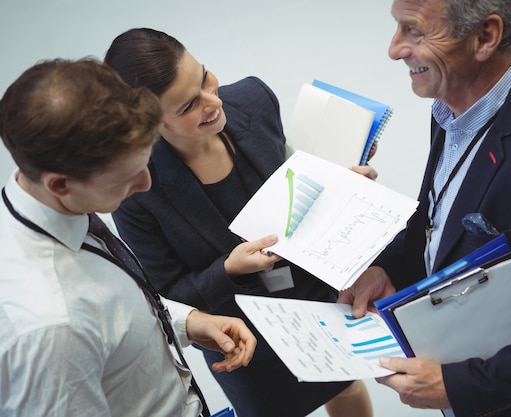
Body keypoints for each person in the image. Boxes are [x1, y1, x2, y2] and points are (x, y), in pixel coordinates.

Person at [338, 0, 511, 416]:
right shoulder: (455, 105)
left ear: (485, 37)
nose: (395, 48)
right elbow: (445, 215)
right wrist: (391, 267)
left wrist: (457, 386)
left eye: (414, 31)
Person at [103, 28, 373, 417]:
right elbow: (167, 298)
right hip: (241, 332)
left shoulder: (253, 99)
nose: (214, 101)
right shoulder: (138, 192)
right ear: (149, 125)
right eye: (188, 106)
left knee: (345, 386)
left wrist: (346, 183)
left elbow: (296, 173)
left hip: (315, 297)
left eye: (205, 78)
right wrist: (229, 269)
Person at [0, 58, 257, 417]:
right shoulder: (55, 329)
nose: (146, 185)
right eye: (127, 177)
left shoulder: (45, 201)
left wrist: (186, 321)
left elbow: (110, 313)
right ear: (60, 183)